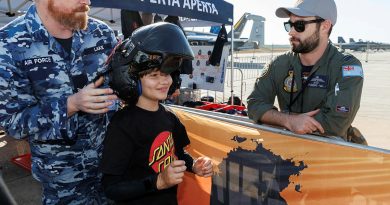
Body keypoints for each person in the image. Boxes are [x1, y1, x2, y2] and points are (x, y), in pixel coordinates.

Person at [0, 0, 118, 204]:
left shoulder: (101, 33)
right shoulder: (8, 44)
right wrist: (70, 105)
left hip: (114, 169)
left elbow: (120, 87)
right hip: (64, 183)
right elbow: (13, 123)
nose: (87, 2)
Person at [100, 22, 214, 205]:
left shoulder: (169, 118)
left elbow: (179, 155)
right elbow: (111, 187)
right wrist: (158, 182)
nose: (164, 81)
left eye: (167, 74)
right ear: (132, 78)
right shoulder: (123, 125)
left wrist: (194, 165)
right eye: (154, 75)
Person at [247, 0, 366, 144]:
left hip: (331, 155)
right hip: (286, 153)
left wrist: (276, 117)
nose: (291, 32)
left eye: (299, 26)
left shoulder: (347, 67)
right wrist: (289, 120)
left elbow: (336, 123)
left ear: (324, 26)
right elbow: (254, 105)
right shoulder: (279, 64)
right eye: (289, 25)